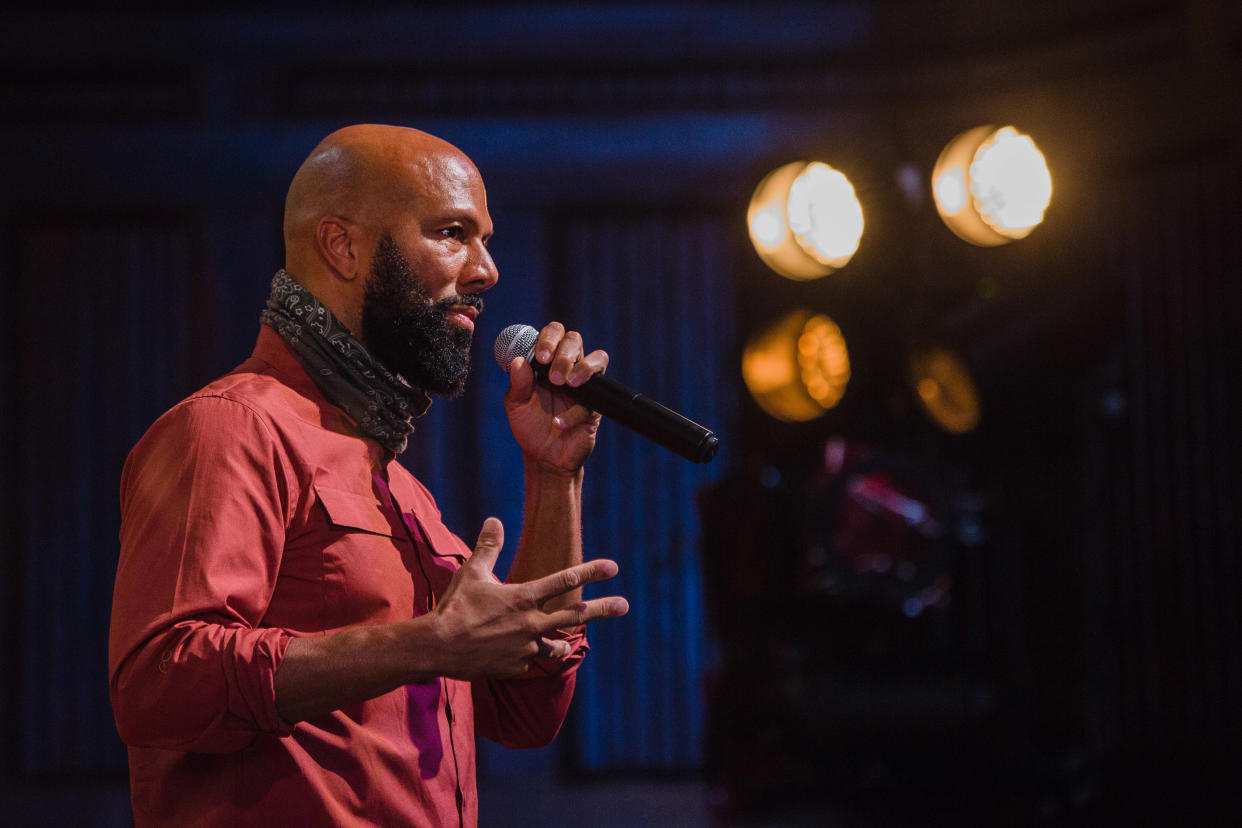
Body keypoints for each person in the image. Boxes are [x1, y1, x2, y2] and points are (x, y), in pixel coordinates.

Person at [108, 124, 629, 827]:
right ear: (342, 246)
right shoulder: (229, 429)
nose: (486, 269)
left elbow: (525, 708)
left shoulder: (403, 492)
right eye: (452, 232)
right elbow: (159, 683)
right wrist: (426, 644)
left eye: (487, 239)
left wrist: (555, 471)